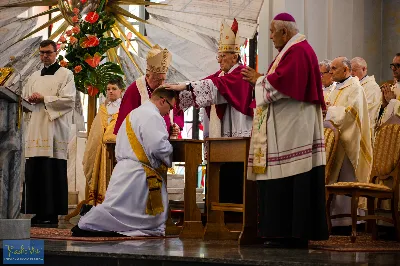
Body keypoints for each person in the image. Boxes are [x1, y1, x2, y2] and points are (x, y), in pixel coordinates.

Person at [239, 13, 328, 248]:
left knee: (290, 180)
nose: (269, 37)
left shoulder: (298, 51)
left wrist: (258, 80)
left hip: (294, 131)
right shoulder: (293, 50)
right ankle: (283, 233)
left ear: (284, 32)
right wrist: (261, 80)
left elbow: (283, 84)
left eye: (271, 32)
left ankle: (290, 235)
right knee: (285, 181)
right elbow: (280, 80)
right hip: (290, 127)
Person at [164, 18, 254, 204]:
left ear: (235, 56)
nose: (219, 60)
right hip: (219, 137)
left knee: (234, 179)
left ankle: (233, 217)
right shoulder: (221, 76)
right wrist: (175, 95)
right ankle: (217, 215)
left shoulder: (241, 74)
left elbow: (213, 88)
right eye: (218, 56)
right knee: (219, 178)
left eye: (223, 56)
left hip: (237, 137)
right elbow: (205, 85)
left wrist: (186, 85)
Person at [72, 88, 176, 237]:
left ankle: (93, 223)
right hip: (137, 174)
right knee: (125, 213)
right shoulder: (152, 116)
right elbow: (158, 146)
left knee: (119, 209)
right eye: (170, 107)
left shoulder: (134, 113)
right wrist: (170, 151)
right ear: (162, 101)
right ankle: (90, 224)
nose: (169, 112)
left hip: (125, 170)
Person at [21, 39, 76, 225]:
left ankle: (52, 214)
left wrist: (44, 98)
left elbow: (69, 100)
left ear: (56, 53)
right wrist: (29, 99)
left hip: (54, 128)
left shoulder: (66, 74)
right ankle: (37, 212)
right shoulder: (33, 77)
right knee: (35, 170)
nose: (45, 56)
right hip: (36, 127)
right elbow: (24, 99)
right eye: (42, 53)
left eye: (48, 53)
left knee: (51, 170)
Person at [325, 56, 372, 228]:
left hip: (348, 143)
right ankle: (334, 221)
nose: (330, 72)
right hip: (335, 142)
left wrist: (329, 111)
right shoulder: (335, 88)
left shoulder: (355, 88)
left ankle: (350, 221)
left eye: (334, 68)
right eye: (330, 68)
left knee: (345, 180)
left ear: (345, 70)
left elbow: (352, 114)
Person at [113, 44, 183, 138]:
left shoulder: (167, 89)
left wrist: (176, 125)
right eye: (157, 80)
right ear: (147, 76)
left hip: (168, 141)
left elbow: (178, 111)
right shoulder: (135, 90)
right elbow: (125, 123)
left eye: (163, 79)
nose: (161, 83)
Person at [82, 78, 125, 206]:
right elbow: (96, 130)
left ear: (121, 91)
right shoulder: (103, 108)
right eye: (108, 89)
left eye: (114, 89)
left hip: (118, 149)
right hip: (101, 149)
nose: (110, 91)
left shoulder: (124, 108)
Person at [350, 57, 381, 138]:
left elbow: (367, 110)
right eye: (350, 70)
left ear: (364, 69)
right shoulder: (354, 85)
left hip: (364, 129)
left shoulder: (372, 87)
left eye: (354, 70)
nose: (351, 73)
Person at [379, 53, 400, 125]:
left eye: (397, 65)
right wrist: (384, 106)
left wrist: (392, 101)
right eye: (393, 65)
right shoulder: (392, 88)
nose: (393, 69)